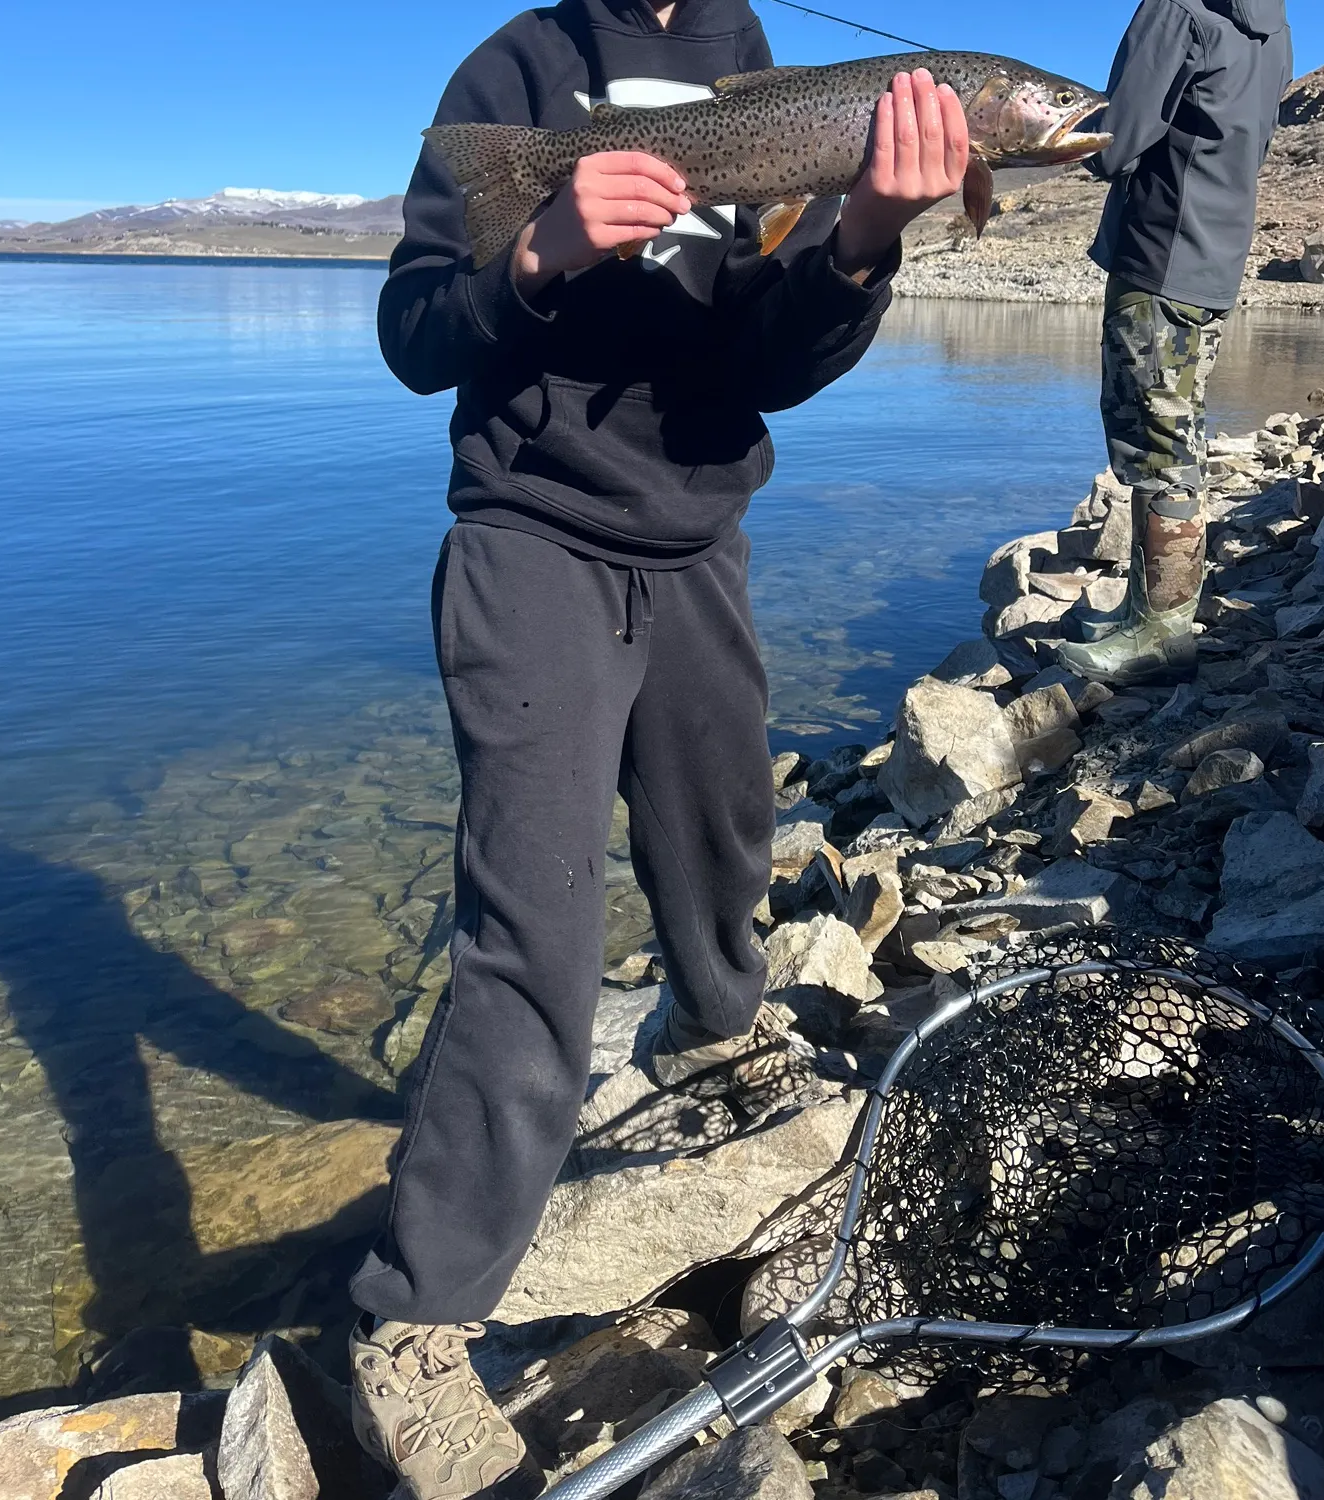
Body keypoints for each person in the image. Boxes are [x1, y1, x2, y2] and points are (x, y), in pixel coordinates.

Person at [345, 2, 970, 1495]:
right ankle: (414, 1319)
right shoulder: (511, 77)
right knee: (535, 928)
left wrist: (869, 231)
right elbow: (413, 338)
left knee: (721, 834)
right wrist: (541, 253)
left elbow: (773, 363)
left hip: (700, 538)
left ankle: (715, 1031)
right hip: (529, 541)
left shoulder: (770, 77)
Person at [1056, 0, 1292, 686]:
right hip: (1213, 261)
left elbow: (1113, 142)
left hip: (1158, 259)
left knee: (1158, 443)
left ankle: (1162, 635)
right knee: (1172, 433)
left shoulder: (1176, 9)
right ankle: (1145, 612)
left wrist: (1050, 128)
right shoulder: (1273, 26)